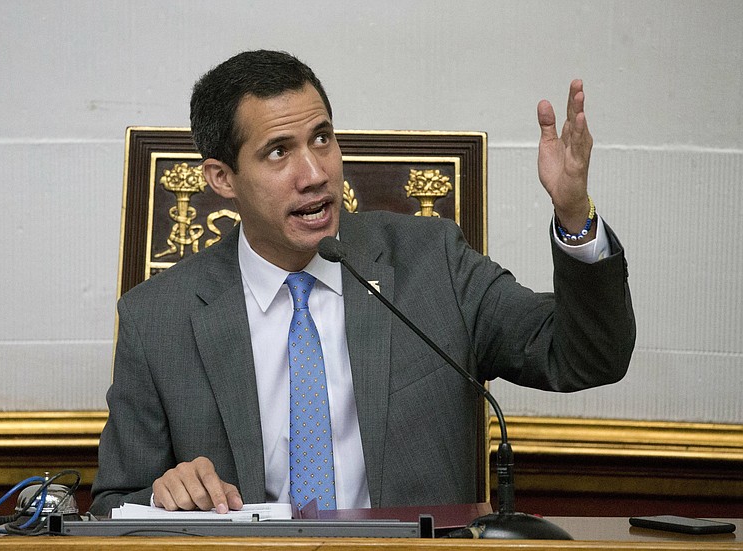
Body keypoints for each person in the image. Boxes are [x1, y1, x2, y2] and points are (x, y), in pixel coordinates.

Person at [90, 50, 635, 516]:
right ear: (222, 178)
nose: (315, 173)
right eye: (279, 151)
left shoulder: (432, 264)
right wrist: (163, 495)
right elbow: (111, 503)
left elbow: (587, 356)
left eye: (322, 138)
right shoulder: (157, 318)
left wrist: (573, 215)